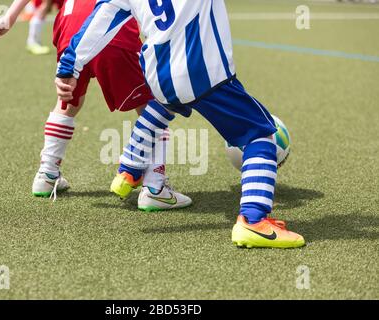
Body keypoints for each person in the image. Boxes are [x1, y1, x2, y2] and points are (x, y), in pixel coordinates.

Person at [55, 0, 305, 248]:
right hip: (202, 70)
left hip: (158, 74)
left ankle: (129, 170)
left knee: (163, 106)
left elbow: (102, 17)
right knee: (259, 134)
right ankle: (254, 221)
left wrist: (69, 68)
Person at [0, 0, 191, 210]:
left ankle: (47, 175)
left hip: (70, 28)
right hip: (110, 28)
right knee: (153, 106)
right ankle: (155, 188)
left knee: (67, 103)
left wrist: (8, 17)